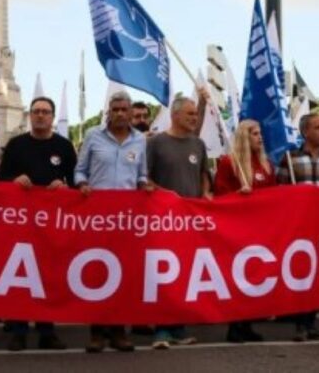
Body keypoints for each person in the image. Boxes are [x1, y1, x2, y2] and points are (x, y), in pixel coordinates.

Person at [74, 91, 154, 354]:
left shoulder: (139, 140)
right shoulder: (93, 136)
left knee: (122, 273)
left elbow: (141, 174)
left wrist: (145, 185)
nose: (120, 113)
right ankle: (97, 331)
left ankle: (119, 330)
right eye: (115, 109)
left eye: (124, 109)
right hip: (97, 219)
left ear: (131, 113)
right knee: (97, 272)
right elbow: (79, 170)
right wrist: (83, 184)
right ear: (108, 111)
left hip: (126, 219)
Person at [0, 97, 74, 351]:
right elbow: (1, 179)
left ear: (52, 117)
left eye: (45, 112)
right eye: (36, 111)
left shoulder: (63, 146)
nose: (40, 116)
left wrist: (63, 186)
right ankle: (19, 331)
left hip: (52, 224)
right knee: (22, 276)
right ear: (30, 116)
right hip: (21, 222)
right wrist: (14, 179)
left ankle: (46, 330)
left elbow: (75, 183)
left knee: (47, 276)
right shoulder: (16, 145)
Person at [146, 96, 207, 349]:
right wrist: (167, 197)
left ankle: (178, 329)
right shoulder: (156, 143)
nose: (195, 118)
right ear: (175, 115)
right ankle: (161, 330)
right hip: (164, 221)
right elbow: (145, 180)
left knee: (184, 274)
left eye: (196, 114)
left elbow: (204, 175)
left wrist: (205, 197)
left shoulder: (199, 144)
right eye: (190, 114)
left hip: (190, 222)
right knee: (164, 275)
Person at [277, 112, 319, 341]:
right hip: (299, 226)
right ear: (305, 132)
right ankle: (300, 324)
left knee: (317, 275)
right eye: (318, 127)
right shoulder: (290, 160)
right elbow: (280, 192)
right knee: (300, 272)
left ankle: (311, 323)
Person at [213, 120, 275, 343]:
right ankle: (235, 325)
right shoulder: (230, 163)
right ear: (244, 137)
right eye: (255, 134)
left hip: (260, 230)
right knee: (237, 276)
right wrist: (238, 194)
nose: (260, 137)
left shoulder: (267, 164)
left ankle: (247, 323)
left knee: (254, 275)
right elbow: (219, 196)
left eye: (260, 133)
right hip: (237, 230)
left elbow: (274, 196)